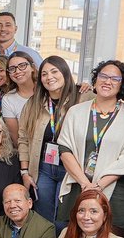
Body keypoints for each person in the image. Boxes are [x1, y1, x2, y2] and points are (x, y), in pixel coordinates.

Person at [57, 61, 124, 232]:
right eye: (103, 76)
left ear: (122, 85)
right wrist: (86, 184)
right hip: (79, 184)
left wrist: (99, 186)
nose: (107, 81)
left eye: (115, 78)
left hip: (116, 190)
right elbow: (65, 149)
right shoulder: (75, 112)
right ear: (95, 80)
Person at [17, 56, 81, 228]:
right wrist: (24, 171)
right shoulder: (34, 103)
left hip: (71, 169)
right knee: (43, 218)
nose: (49, 77)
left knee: (64, 220)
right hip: (43, 168)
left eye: (54, 71)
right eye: (44, 74)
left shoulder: (82, 99)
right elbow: (23, 138)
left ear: (65, 73)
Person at [1, 53, 37, 146]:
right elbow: (16, 138)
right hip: (27, 150)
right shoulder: (8, 99)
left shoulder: (46, 89)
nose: (17, 71)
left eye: (22, 66)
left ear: (32, 67)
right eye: (12, 69)